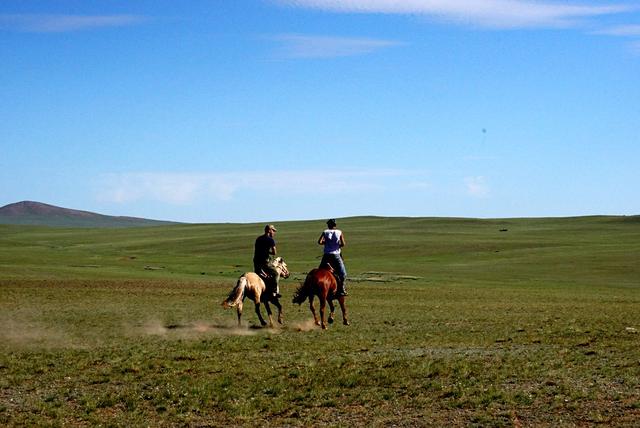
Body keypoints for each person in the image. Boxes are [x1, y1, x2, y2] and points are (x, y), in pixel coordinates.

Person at [318, 218, 348, 296]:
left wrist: (327, 243)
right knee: (343, 273)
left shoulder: (325, 232)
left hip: (326, 255)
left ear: (328, 225)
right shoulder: (339, 232)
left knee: (319, 271)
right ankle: (342, 288)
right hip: (336, 255)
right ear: (335, 225)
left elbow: (319, 242)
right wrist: (337, 245)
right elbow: (343, 244)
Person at [253, 224, 281, 299]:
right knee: (276, 274)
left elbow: (257, 250)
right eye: (273, 231)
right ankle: (274, 291)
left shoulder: (258, 238)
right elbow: (274, 252)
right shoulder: (270, 240)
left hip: (256, 262)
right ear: (269, 230)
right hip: (265, 263)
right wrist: (268, 252)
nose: (274, 233)